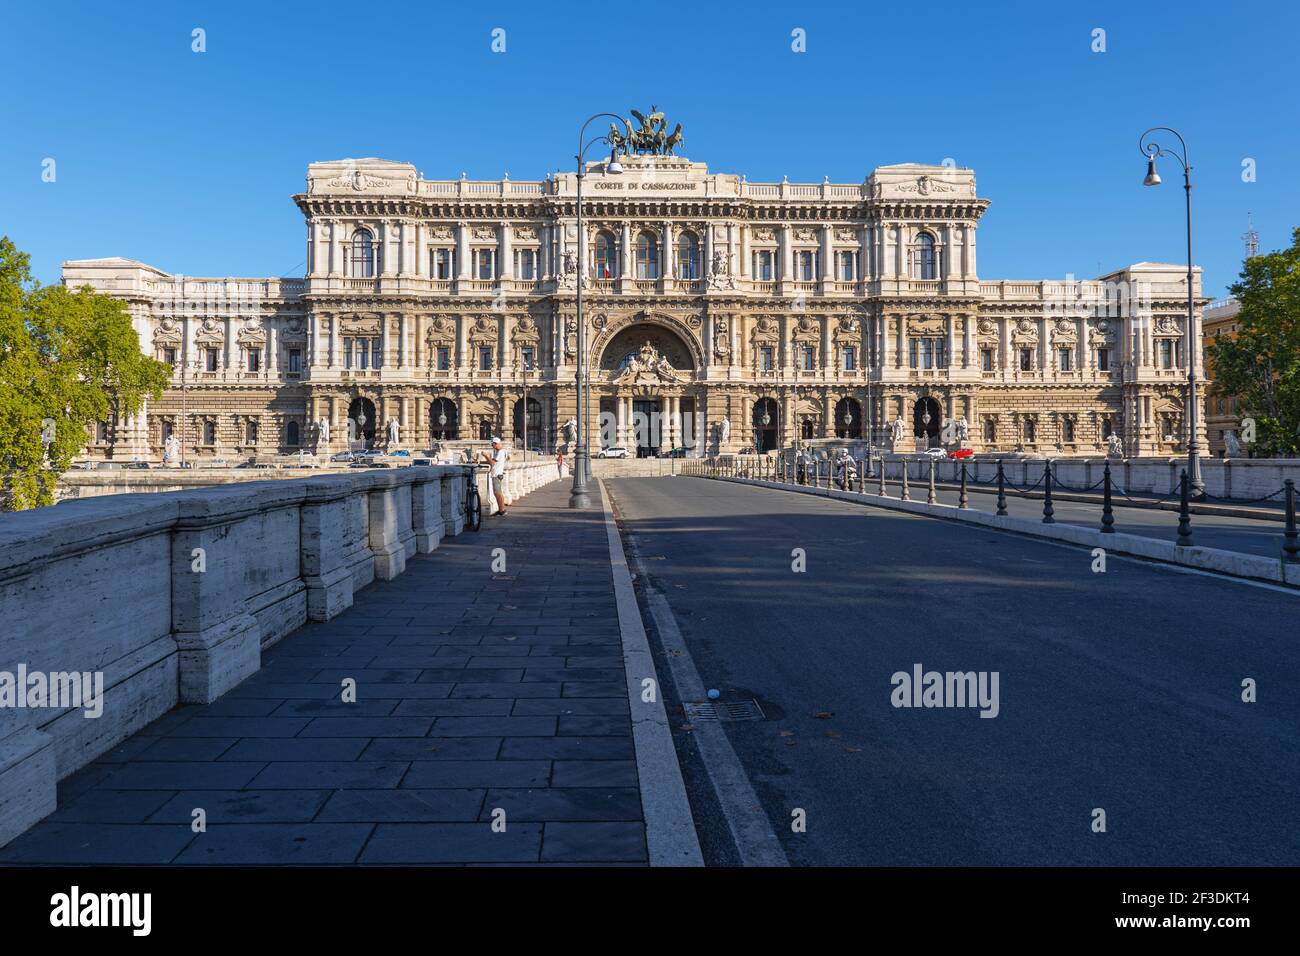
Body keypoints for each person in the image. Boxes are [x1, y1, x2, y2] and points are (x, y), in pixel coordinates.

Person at [480, 436, 510, 516]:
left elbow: (492, 463)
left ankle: (502, 510)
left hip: (496, 474)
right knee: (499, 492)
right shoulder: (502, 451)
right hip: (499, 473)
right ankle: (501, 509)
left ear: (496, 444)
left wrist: (485, 456)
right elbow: (506, 459)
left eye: (492, 445)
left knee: (497, 493)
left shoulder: (500, 452)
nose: (492, 446)